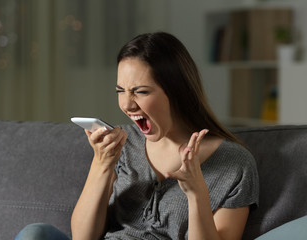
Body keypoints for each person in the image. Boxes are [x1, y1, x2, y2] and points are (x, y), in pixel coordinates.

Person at [15, 32, 259, 240]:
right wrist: (102, 163)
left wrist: (197, 194)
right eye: (121, 91)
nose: (127, 104)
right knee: (35, 233)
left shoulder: (235, 164)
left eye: (140, 92)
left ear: (177, 92)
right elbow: (83, 237)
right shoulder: (125, 141)